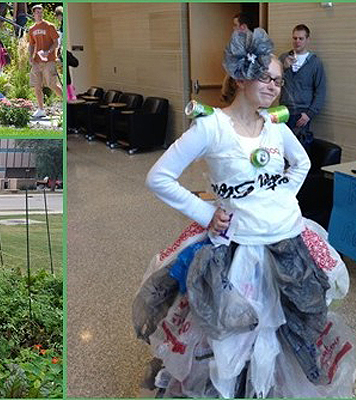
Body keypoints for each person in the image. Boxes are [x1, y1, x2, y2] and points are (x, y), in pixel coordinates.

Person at [136, 28, 351, 398]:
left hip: (288, 242)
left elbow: (300, 163)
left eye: (278, 81)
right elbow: (159, 177)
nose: (272, 87)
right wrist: (205, 214)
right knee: (234, 335)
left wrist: (279, 195)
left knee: (282, 329)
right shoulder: (211, 128)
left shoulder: (274, 125)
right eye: (265, 77)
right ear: (240, 77)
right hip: (238, 249)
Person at [280, 24, 325, 147]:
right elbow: (273, 81)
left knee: (299, 149)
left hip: (302, 113)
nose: (297, 42)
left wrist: (309, 114)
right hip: (283, 110)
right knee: (282, 148)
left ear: (307, 40)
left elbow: (320, 91)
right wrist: (283, 68)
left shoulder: (315, 62)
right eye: (295, 38)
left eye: (301, 38)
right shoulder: (284, 58)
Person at [27, 4, 61, 119]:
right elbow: (31, 44)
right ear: (33, 14)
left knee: (52, 84)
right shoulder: (32, 29)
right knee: (37, 86)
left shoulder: (49, 26)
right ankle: (41, 109)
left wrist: (49, 51)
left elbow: (56, 42)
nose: (39, 14)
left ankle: (67, 104)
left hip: (49, 60)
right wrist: (30, 57)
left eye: (41, 12)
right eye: (37, 12)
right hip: (37, 61)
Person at [220, 12, 258, 104]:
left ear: (243, 26)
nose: (233, 28)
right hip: (235, 84)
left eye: (235, 25)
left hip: (247, 86)